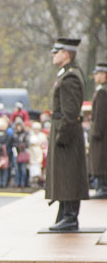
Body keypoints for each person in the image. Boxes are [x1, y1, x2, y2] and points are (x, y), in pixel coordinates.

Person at [45, 37, 88, 230]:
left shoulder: (70, 76)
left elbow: (70, 113)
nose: (54, 55)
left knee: (69, 174)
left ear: (66, 54)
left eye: (57, 51)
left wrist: (62, 135)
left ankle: (70, 217)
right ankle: (65, 213)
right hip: (63, 129)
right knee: (63, 175)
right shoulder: (65, 74)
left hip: (67, 132)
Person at [88, 62, 107, 199]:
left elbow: (100, 115)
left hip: (101, 135)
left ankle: (103, 187)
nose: (95, 76)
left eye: (98, 74)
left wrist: (95, 132)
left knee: (100, 161)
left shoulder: (102, 92)